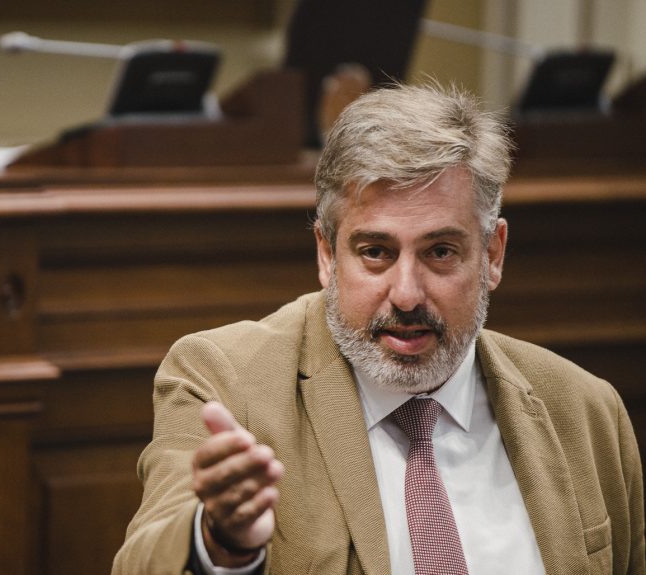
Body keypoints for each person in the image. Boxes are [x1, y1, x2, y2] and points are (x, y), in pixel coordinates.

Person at [112, 83, 644, 574]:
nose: (407, 294)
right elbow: (142, 559)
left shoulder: (586, 411)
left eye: (440, 252)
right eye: (375, 253)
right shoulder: (225, 380)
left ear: (492, 254)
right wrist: (220, 542)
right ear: (326, 254)